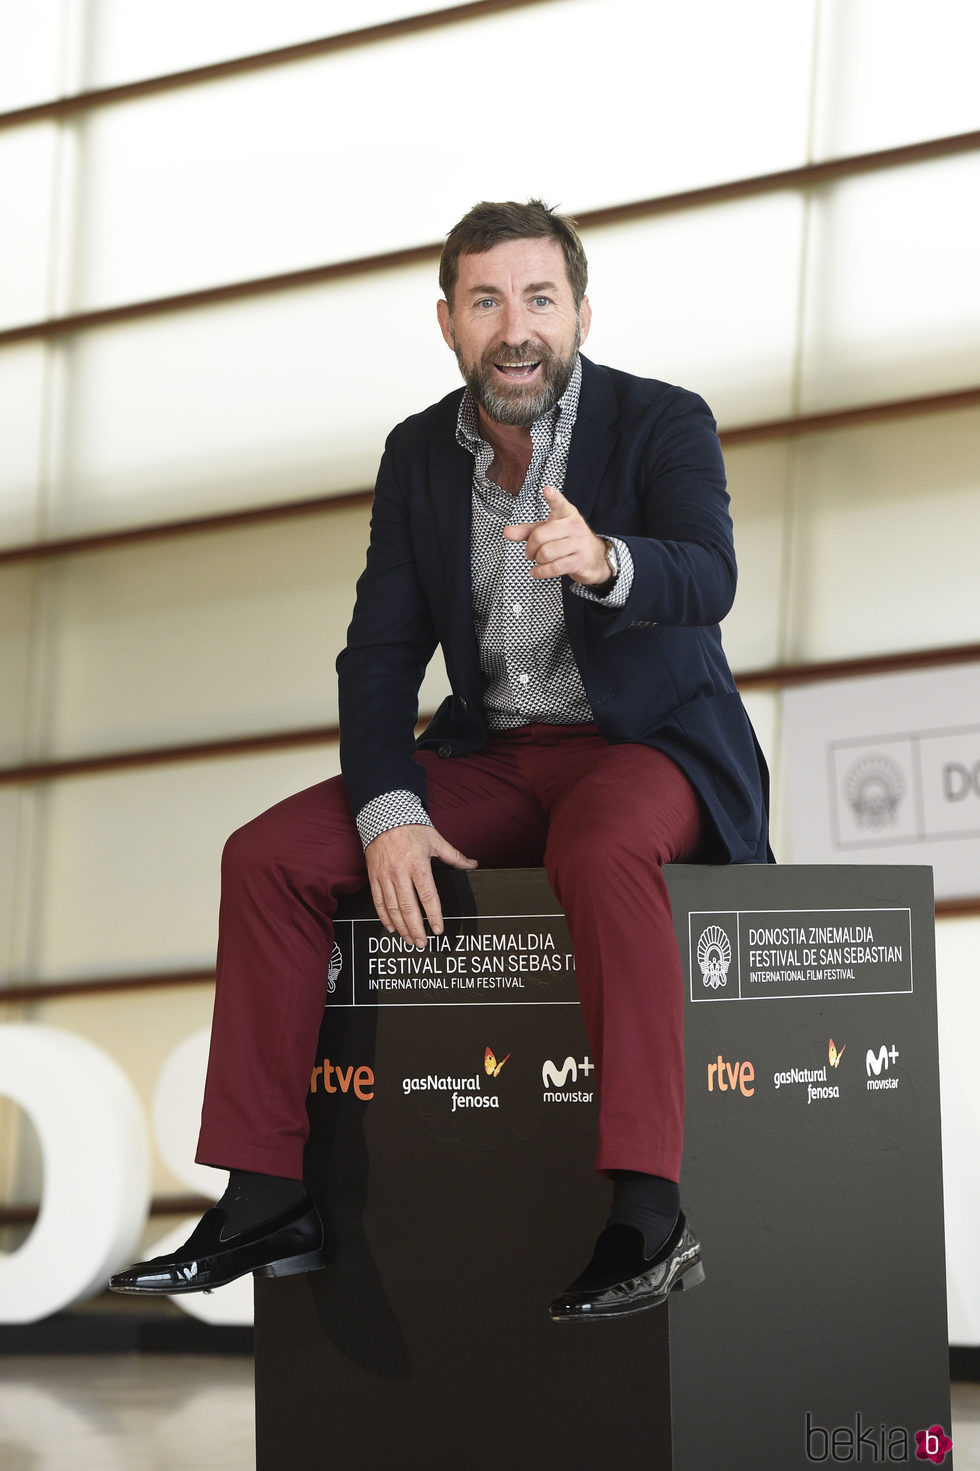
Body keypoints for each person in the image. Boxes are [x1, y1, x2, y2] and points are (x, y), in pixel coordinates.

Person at [111, 199, 770, 1321]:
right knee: (266, 855)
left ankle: (646, 1214)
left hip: (642, 747)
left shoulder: (661, 420)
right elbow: (376, 655)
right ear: (447, 321)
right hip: (496, 754)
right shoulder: (418, 454)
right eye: (484, 301)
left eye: (537, 298)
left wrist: (606, 558)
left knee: (603, 844)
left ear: (579, 312)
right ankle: (268, 1193)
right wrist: (386, 806)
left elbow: (708, 575)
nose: (514, 327)